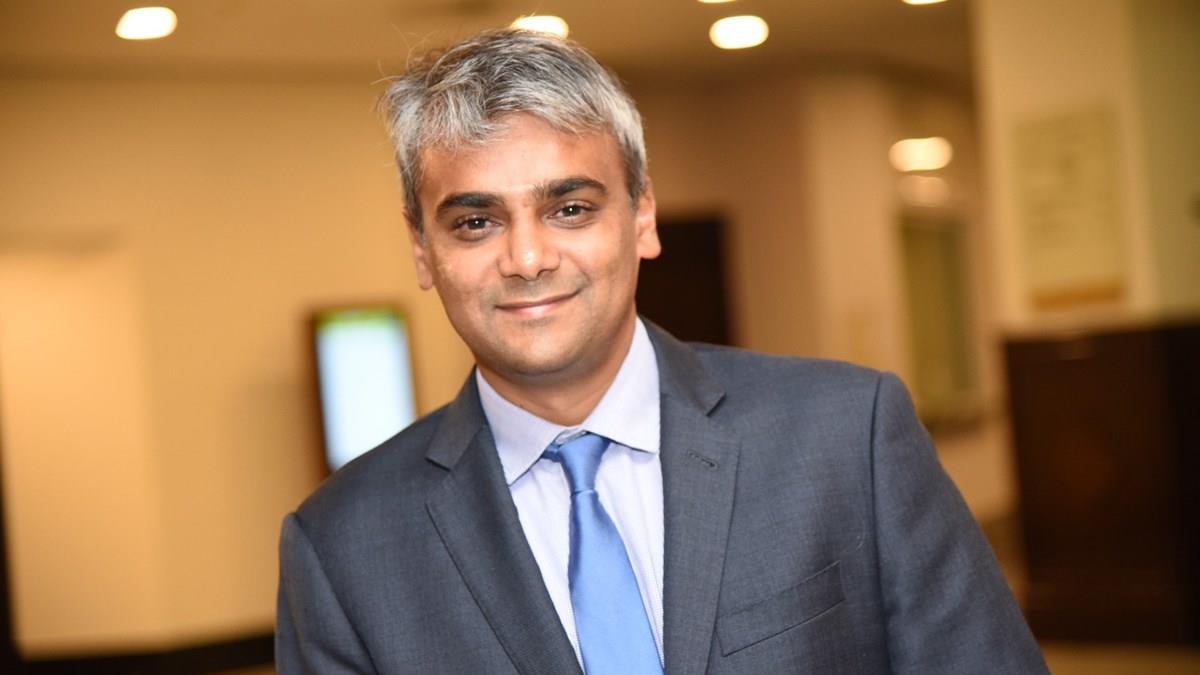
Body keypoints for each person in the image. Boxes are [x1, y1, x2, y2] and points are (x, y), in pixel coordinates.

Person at [275, 28, 1047, 674]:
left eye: (570, 208)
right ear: (422, 248)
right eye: (475, 222)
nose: (528, 257)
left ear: (642, 215)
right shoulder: (344, 549)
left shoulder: (849, 436)